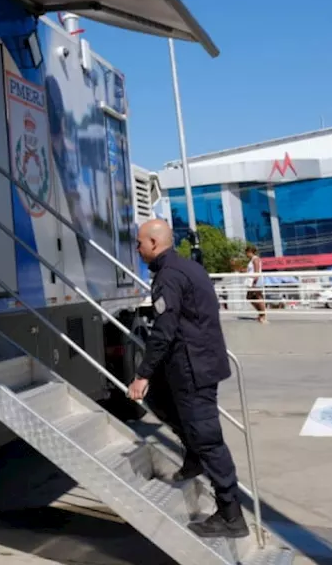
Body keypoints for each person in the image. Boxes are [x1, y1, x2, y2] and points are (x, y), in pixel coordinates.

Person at [127, 219, 248, 539]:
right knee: (157, 396)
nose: (137, 249)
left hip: (194, 369)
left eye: (139, 243)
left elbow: (163, 331)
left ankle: (231, 515)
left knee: (208, 438)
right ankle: (193, 454)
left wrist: (142, 374)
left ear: (154, 243)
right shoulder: (189, 268)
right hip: (194, 363)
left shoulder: (169, 277)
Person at [244, 244, 267, 323]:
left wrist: (254, 281)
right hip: (252, 280)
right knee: (249, 297)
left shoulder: (255, 259)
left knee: (259, 297)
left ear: (250, 252)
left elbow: (257, 271)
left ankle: (263, 316)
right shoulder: (251, 260)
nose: (246, 255)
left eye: (246, 253)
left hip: (256, 280)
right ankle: (261, 313)